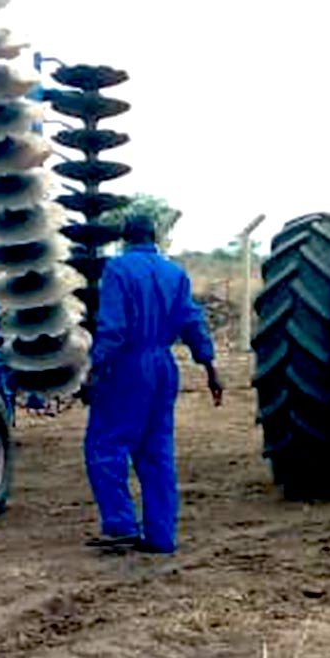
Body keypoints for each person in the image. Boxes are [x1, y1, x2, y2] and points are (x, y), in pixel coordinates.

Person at [82, 214, 224, 555]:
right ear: (155, 237)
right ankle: (161, 537)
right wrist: (209, 366)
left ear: (123, 238)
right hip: (163, 366)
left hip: (128, 365)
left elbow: (114, 329)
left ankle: (120, 525)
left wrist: (91, 368)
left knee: (106, 445)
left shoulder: (118, 270)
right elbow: (192, 321)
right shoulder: (174, 272)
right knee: (157, 451)